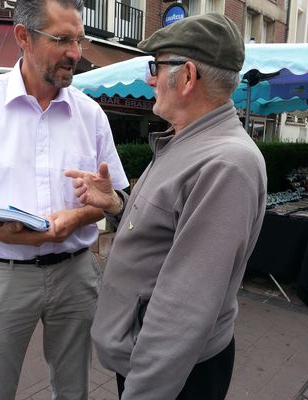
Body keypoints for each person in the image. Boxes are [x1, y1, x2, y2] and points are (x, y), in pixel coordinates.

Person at [65, 13, 267, 400]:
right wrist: (117, 204)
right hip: (155, 362)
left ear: (188, 76)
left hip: (174, 374)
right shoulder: (188, 141)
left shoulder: (224, 163)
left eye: (156, 66)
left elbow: (185, 308)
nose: (150, 78)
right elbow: (170, 230)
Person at [0, 0, 128, 399]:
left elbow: (111, 198)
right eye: (61, 39)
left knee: (73, 389)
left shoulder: (91, 114)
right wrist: (6, 234)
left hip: (76, 273)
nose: (75, 53)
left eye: (79, 40)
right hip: (0, 273)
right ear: (23, 36)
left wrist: (80, 216)